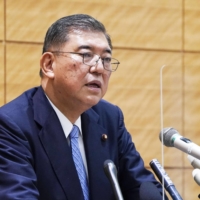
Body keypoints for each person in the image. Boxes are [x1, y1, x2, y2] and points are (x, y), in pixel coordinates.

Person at [0, 14, 168, 200]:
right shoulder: (11, 125)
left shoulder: (109, 118)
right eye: (86, 55)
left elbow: (141, 188)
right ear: (49, 64)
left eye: (106, 59)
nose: (99, 68)